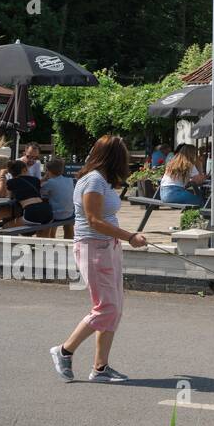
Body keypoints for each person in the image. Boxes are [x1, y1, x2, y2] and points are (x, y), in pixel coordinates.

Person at [50, 134, 148, 383]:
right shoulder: (93, 181)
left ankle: (100, 368)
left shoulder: (101, 180)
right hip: (93, 248)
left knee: (114, 309)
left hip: (107, 247)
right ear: (115, 157)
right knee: (106, 308)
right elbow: (94, 221)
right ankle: (64, 350)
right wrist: (130, 236)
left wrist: (123, 239)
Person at [6, 158, 53, 227]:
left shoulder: (10, 182)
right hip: (47, 210)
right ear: (24, 169)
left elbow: (9, 197)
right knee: (42, 233)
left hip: (32, 212)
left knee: (6, 227)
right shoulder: (35, 180)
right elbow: (36, 185)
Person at [40, 156, 76, 239]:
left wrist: (43, 179)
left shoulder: (49, 182)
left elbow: (40, 193)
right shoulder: (70, 180)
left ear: (48, 171)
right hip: (69, 213)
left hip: (56, 215)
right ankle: (68, 242)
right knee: (68, 223)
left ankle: (51, 238)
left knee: (48, 212)